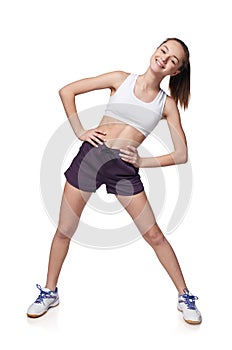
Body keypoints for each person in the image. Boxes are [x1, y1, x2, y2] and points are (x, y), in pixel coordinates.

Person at [27, 38, 202, 325]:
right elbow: (67, 91)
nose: (164, 58)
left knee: (154, 235)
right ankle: (49, 291)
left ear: (176, 71)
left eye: (173, 60)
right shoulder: (120, 79)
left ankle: (185, 295)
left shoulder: (166, 104)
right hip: (91, 158)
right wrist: (80, 131)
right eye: (163, 51)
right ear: (155, 50)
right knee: (64, 231)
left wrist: (142, 161)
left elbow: (181, 154)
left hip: (123, 169)